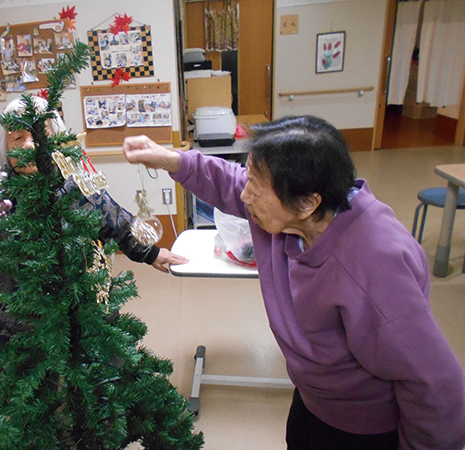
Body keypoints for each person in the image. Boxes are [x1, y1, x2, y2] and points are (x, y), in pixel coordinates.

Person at [122, 115, 465, 450]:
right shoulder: (295, 216)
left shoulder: (375, 264)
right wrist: (169, 158)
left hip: (360, 427)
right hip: (312, 398)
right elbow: (230, 181)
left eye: (256, 185)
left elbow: (434, 382)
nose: (244, 195)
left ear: (306, 202)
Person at [0, 96, 187, 375]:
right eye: (18, 137)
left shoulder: (77, 186)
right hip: (19, 322)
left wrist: (151, 252)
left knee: (97, 380)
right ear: (5, 147)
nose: (29, 144)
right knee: (33, 394)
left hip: (83, 310)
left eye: (39, 135)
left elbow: (115, 219)